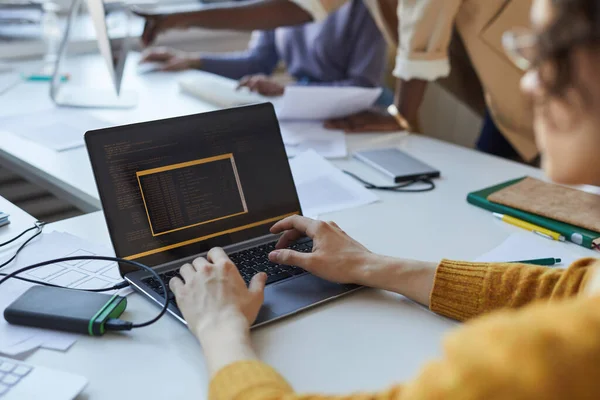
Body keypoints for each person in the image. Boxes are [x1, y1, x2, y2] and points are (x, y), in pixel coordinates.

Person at [167, 0, 600, 397]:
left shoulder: (557, 354)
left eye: (548, 53)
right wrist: (370, 264)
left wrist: (220, 330)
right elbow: (570, 289)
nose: (527, 83)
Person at [134, 0, 537, 159]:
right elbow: (295, 8)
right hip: (501, 86)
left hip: (533, 70)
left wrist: (401, 113)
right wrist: (177, 20)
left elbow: (422, 22)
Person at [139, 0, 388, 98]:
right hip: (305, 113)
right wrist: (193, 60)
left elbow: (363, 86)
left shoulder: (363, 8)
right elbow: (258, 61)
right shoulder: (278, 7)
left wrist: (287, 89)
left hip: (355, 114)